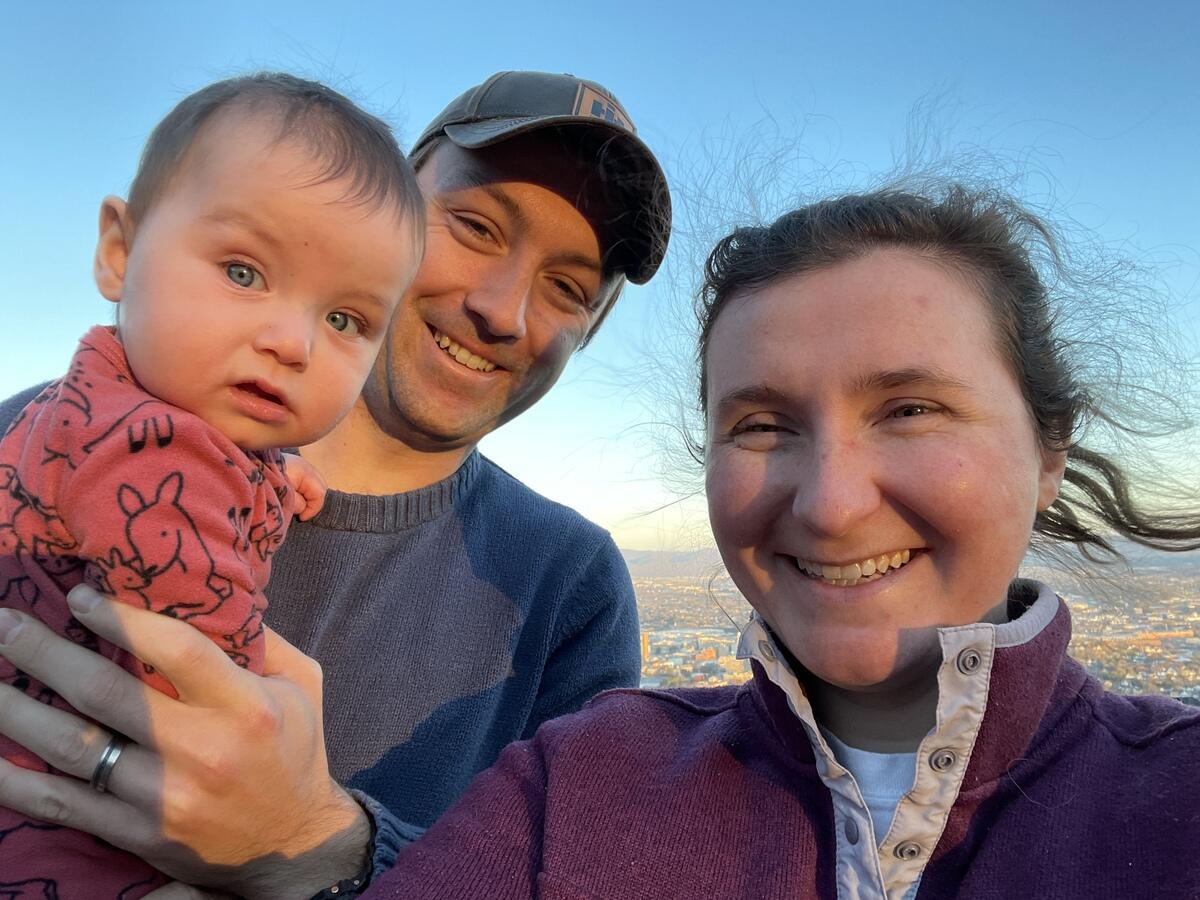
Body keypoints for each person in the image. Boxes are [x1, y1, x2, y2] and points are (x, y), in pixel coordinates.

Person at [360, 186, 1200, 898]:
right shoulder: (571, 786)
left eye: (909, 410)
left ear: (1049, 452)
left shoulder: (1173, 799)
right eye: (763, 426)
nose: (832, 505)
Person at [0, 70, 671, 899]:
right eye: (474, 226)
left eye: (569, 288)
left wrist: (327, 850)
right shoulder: (48, 431)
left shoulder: (570, 588)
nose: (503, 308)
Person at [0, 72, 423, 897]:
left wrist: (270, 479)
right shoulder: (149, 450)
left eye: (345, 320)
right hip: (60, 827)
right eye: (242, 271)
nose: (292, 341)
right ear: (120, 252)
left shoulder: (98, 401)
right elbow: (205, 665)